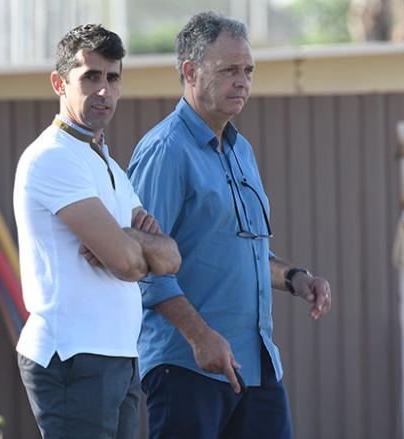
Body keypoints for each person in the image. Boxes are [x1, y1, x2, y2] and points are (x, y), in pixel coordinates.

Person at [127, 12, 332, 438]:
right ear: (190, 71)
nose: (242, 81)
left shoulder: (241, 150)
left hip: (255, 364)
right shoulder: (165, 151)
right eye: (229, 71)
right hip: (187, 365)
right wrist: (200, 337)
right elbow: (142, 264)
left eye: (248, 71)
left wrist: (296, 278)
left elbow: (243, 249)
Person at [13, 24, 180, 438]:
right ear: (59, 82)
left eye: (112, 77)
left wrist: (126, 238)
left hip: (119, 356)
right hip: (73, 356)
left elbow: (169, 259)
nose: (103, 89)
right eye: (90, 76)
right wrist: (130, 247)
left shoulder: (108, 164)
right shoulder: (53, 158)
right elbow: (126, 264)